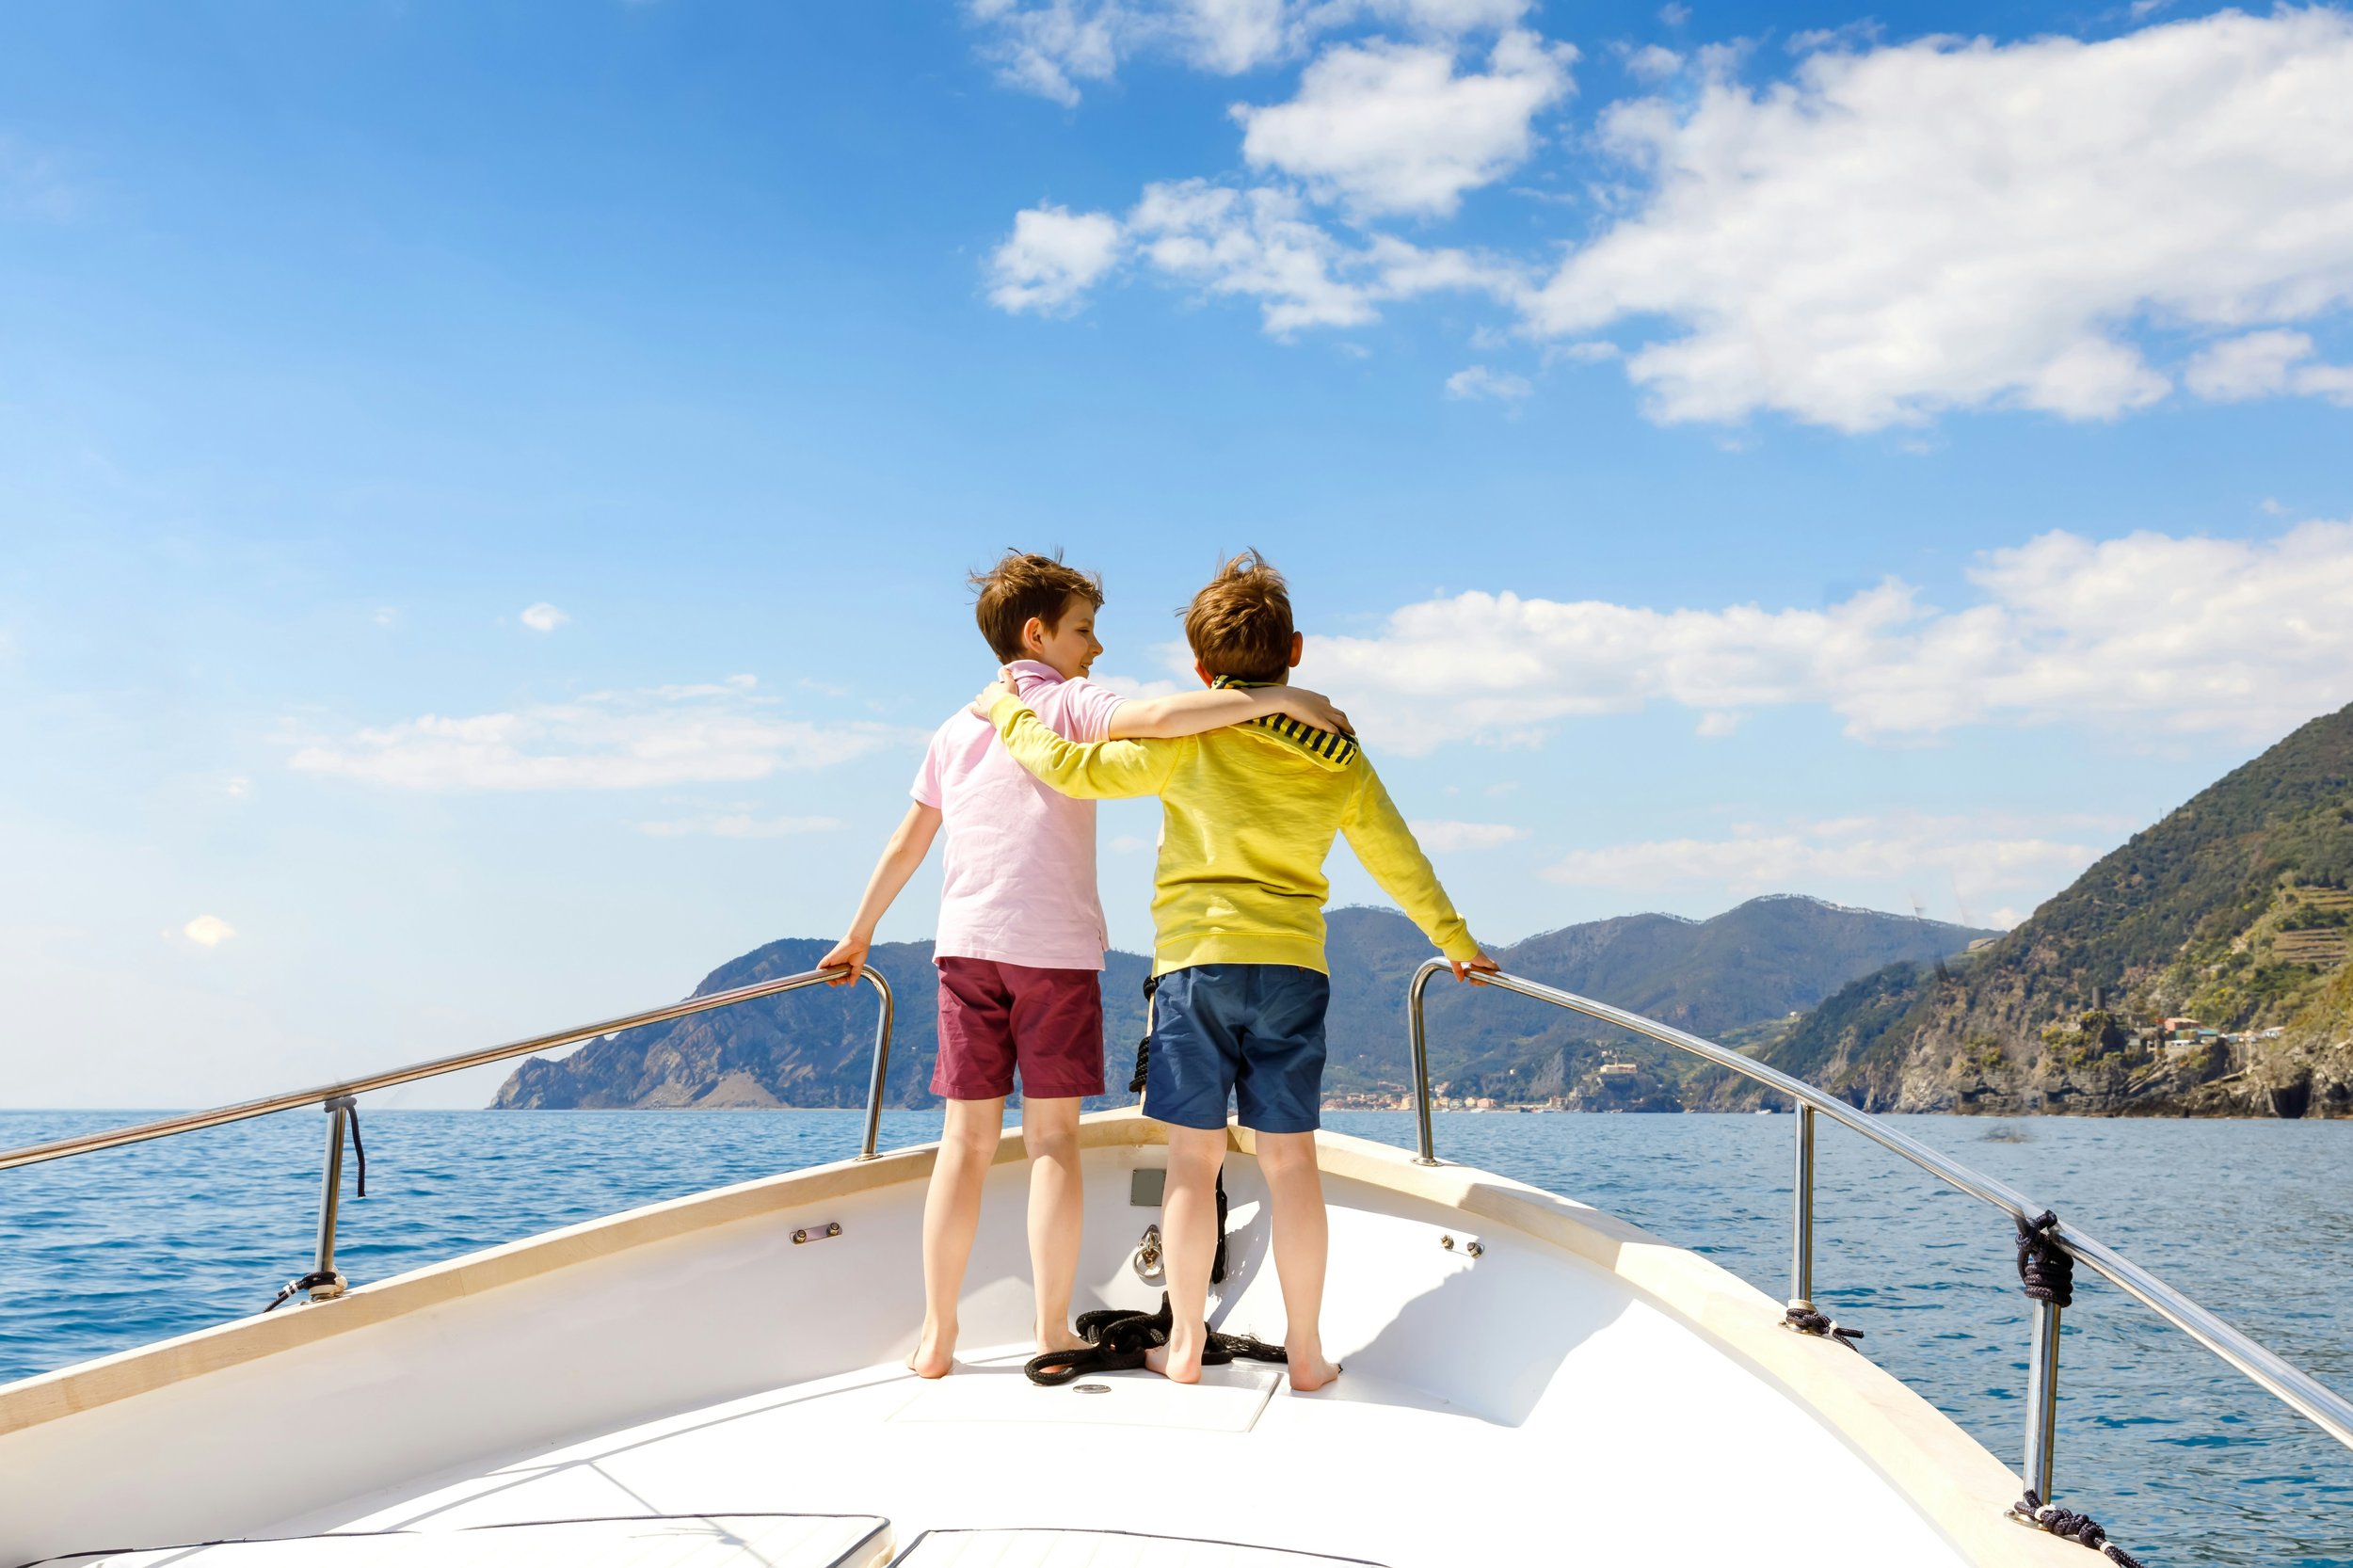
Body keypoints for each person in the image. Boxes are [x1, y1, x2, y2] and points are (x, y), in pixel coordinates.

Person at [820, 550, 1354, 1378]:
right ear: (1039, 635)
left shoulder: (957, 727)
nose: (1096, 647)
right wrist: (1280, 697)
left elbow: (908, 841)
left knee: (963, 1143)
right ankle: (1049, 1329)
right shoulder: (1069, 703)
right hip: (1055, 955)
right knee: (1052, 1142)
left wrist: (860, 931)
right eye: (1084, 630)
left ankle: (937, 1335)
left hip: (964, 948)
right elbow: (1165, 717)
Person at [975, 550, 1496, 1391]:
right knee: (1292, 1164)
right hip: (1293, 971)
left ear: (1200, 671)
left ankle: (1183, 1346)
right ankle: (1307, 1352)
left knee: (1193, 1163)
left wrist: (1008, 708)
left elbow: (1069, 767)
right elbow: (1399, 860)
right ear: (1295, 653)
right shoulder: (1338, 756)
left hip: (1195, 973)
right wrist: (1456, 940)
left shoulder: (1190, 741)